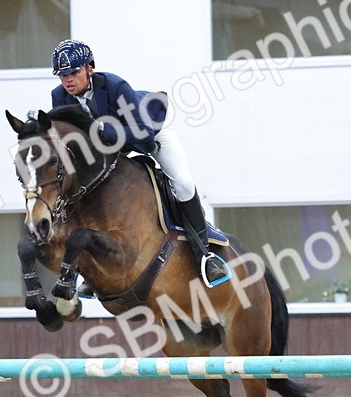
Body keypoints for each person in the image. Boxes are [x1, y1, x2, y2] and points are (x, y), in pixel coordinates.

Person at [49, 39, 231, 287]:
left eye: (74, 72)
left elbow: (143, 139)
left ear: (89, 68)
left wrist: (100, 129)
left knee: (184, 184)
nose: (68, 80)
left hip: (151, 132)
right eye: (62, 76)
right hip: (108, 146)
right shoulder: (59, 97)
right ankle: (89, 268)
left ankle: (205, 256)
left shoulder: (114, 86)